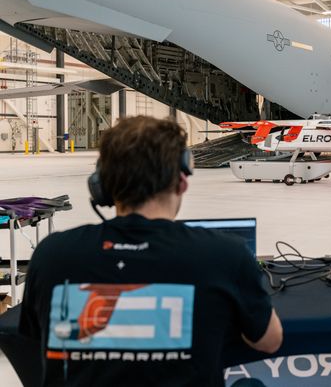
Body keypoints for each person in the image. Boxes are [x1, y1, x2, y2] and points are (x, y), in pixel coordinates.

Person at [19, 116, 282, 387]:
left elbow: (34, 340)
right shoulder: (225, 254)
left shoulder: (52, 255)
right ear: (182, 182)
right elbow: (269, 341)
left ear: (102, 186)